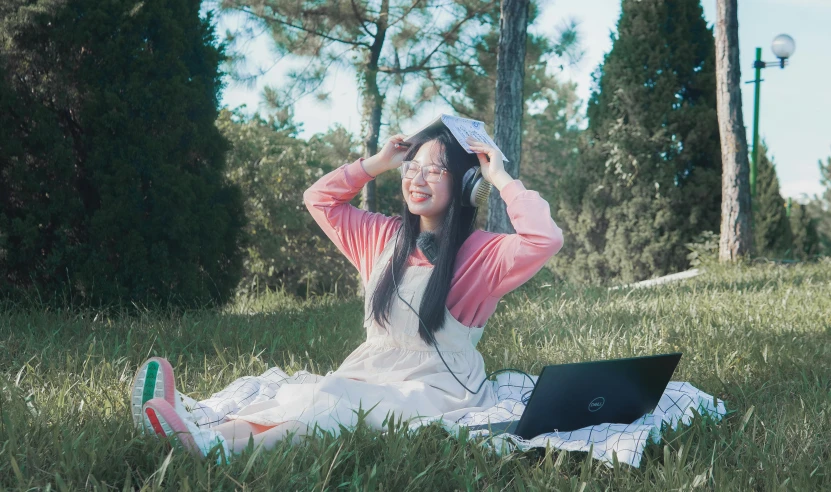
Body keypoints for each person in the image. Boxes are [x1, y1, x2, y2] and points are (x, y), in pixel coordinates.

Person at [132, 127, 564, 462]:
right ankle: (197, 432)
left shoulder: (481, 255)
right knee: (307, 397)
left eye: (435, 169)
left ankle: (216, 449)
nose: (417, 178)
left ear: (468, 184)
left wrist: (501, 177)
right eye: (411, 167)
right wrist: (375, 163)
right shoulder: (382, 236)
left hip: (437, 389)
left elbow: (544, 239)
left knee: (336, 411)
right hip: (369, 370)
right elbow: (319, 199)